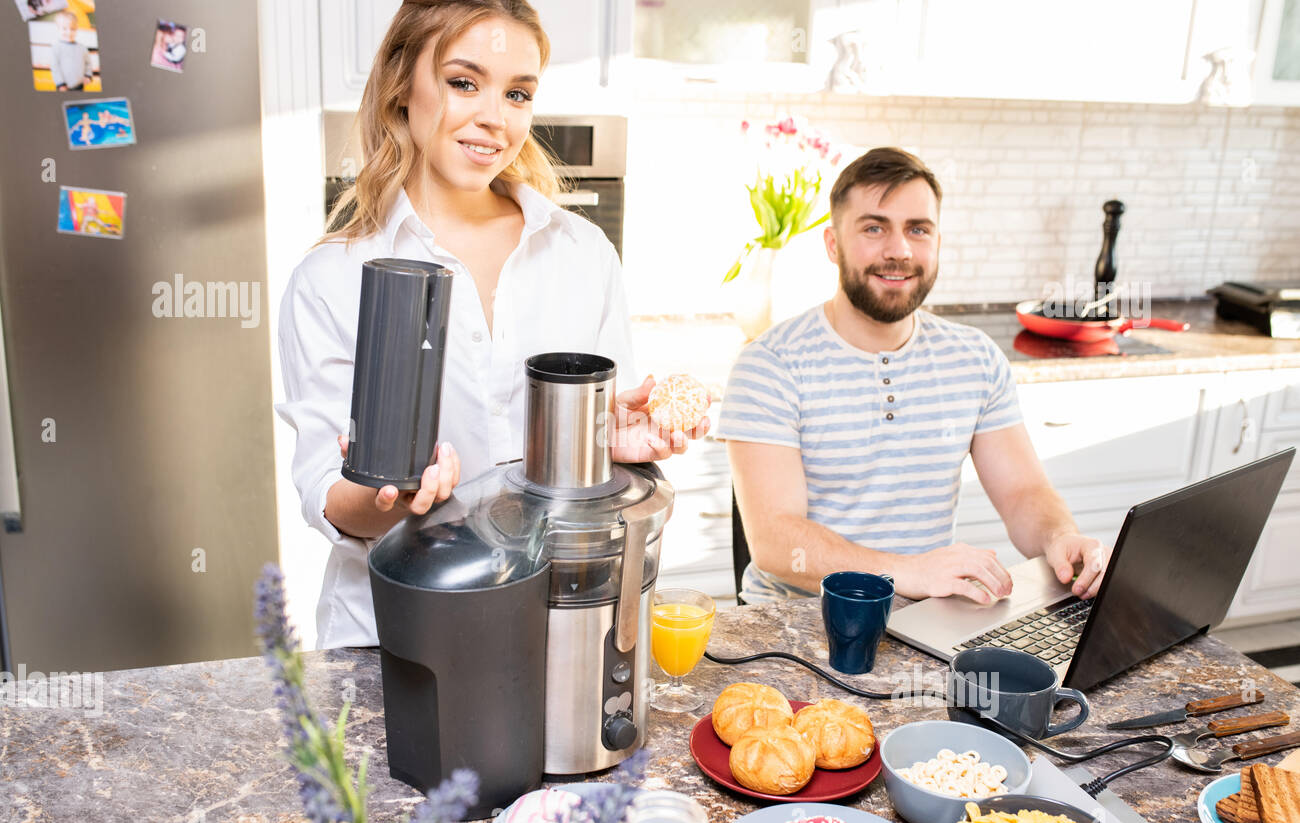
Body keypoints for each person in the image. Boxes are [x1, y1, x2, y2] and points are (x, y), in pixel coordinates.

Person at [277, 0, 706, 650]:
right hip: (390, 639)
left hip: (554, 631)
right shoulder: (332, 278)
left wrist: (613, 439)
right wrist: (391, 494)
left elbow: (591, 457)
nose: (494, 119)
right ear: (402, 85)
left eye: (517, 93)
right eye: (463, 82)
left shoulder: (581, 253)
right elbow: (326, 493)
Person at [718, 147, 1109, 607]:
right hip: (796, 627)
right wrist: (907, 572)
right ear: (832, 244)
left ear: (937, 242)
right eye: (873, 228)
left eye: (917, 229)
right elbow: (776, 544)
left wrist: (1060, 539)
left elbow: (1024, 491)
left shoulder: (975, 358)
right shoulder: (770, 365)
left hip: (926, 624)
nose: (898, 250)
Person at [49, 10, 91, 92]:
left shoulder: (82, 48)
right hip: (63, 87)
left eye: (72, 29)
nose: (69, 32)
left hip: (79, 85)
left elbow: (88, 63)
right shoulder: (56, 47)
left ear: (76, 29)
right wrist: (60, 83)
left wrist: (88, 75)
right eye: (64, 29)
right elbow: (55, 68)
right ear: (58, 29)